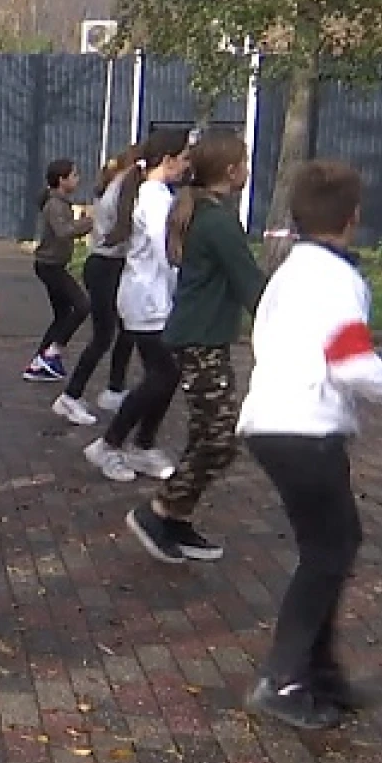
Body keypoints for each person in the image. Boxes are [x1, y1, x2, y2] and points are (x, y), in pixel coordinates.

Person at [240, 159, 382, 731]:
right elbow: (351, 361)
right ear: (353, 217)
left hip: (275, 420)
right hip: (304, 426)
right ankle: (285, 678)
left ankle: (318, 672)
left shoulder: (292, 270)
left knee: (333, 544)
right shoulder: (337, 278)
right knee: (329, 551)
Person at [124, 131, 265, 565]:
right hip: (200, 341)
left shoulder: (207, 212)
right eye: (243, 161)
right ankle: (158, 511)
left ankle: (177, 518)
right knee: (220, 439)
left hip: (201, 338)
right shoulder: (219, 221)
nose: (246, 168)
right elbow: (250, 286)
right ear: (230, 170)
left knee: (210, 435)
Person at [83, 128, 192, 484]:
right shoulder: (155, 198)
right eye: (185, 158)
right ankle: (109, 443)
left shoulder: (157, 193)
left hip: (151, 298)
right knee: (163, 374)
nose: (189, 165)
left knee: (166, 375)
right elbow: (168, 254)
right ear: (168, 160)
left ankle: (143, 445)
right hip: (148, 301)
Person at [54, 145, 143, 426]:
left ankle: (115, 388)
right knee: (104, 335)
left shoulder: (119, 185)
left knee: (127, 328)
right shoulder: (124, 187)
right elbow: (126, 230)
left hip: (111, 265)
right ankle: (70, 396)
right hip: (104, 266)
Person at [23, 159, 91, 383]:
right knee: (82, 305)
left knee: (62, 315)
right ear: (62, 180)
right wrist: (88, 223)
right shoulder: (55, 204)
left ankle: (38, 362)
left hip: (54, 264)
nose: (77, 179)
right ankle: (52, 353)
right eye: (74, 175)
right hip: (49, 266)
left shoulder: (61, 202)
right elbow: (63, 231)